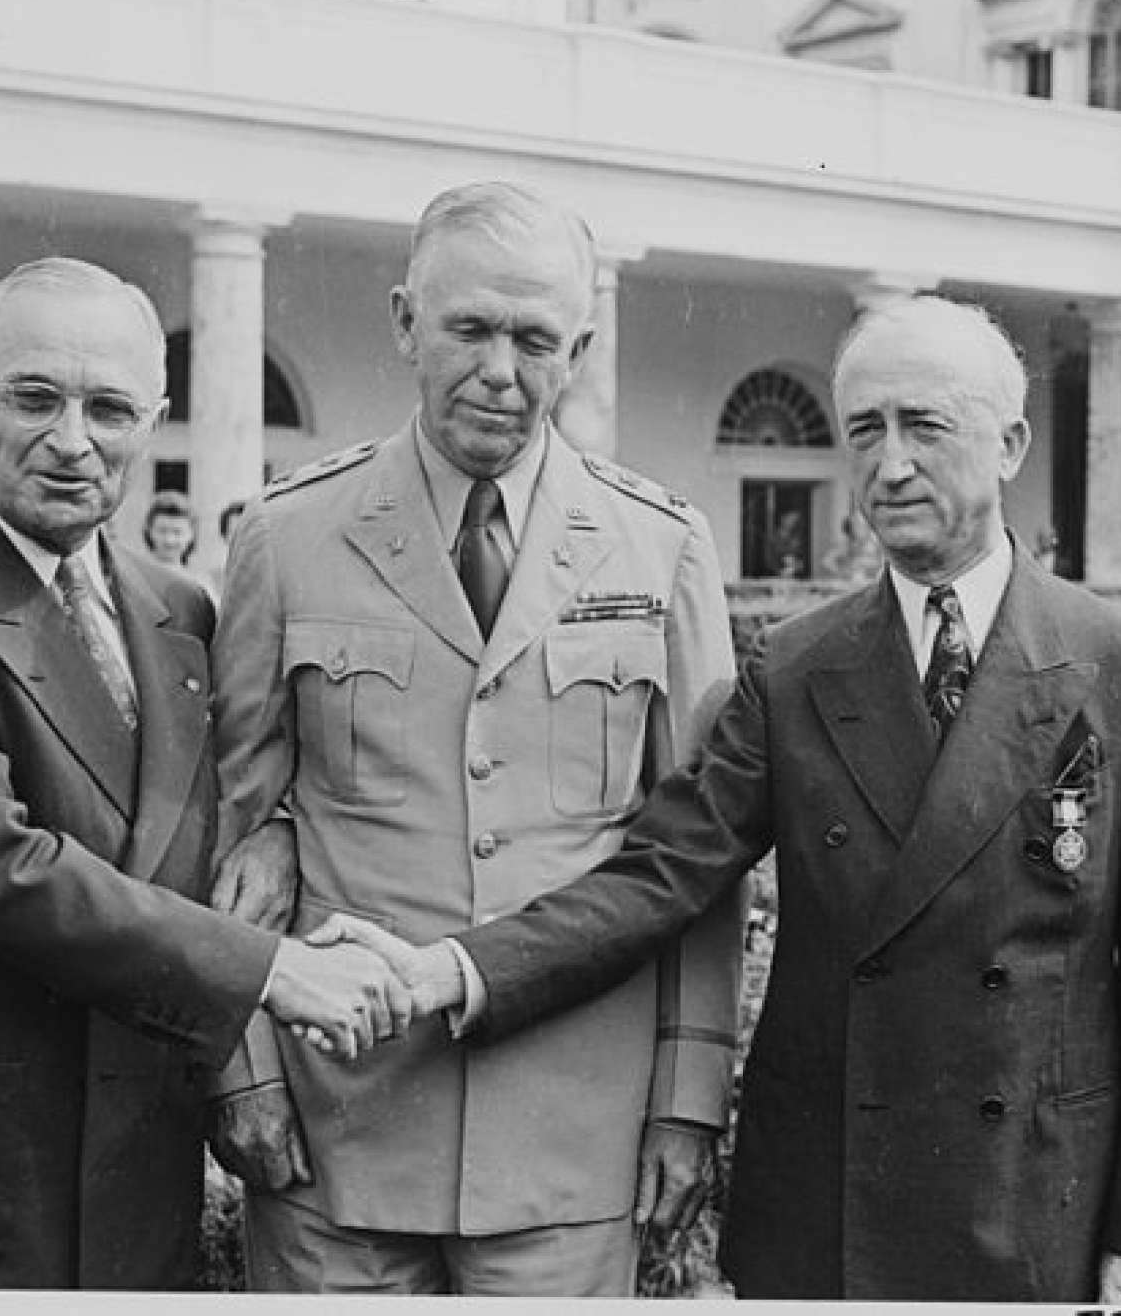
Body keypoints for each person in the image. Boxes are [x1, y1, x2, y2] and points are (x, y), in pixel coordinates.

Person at [321, 294, 1121, 1303]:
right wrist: (458, 966)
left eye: (925, 425)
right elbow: (660, 872)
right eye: (863, 429)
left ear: (1009, 444)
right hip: (834, 1199)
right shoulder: (798, 667)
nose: (890, 463)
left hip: (1041, 1194)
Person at [0, 257, 416, 1289]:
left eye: (108, 406)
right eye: (35, 397)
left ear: (153, 417)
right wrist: (273, 970)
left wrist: (272, 830)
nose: (72, 439)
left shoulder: (178, 609)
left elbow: (201, 825)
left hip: (139, 1176)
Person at [207, 181, 744, 1296]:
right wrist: (243, 1071)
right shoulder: (288, 535)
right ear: (407, 321)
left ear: (581, 349)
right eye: (470, 328)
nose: (502, 368)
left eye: (536, 338)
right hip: (338, 1126)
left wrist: (688, 1097)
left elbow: (699, 856)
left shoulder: (662, 550)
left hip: (570, 1140)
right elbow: (233, 830)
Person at [142, 488, 197, 567]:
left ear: (191, 535)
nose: (169, 540)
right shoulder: (129, 575)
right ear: (149, 531)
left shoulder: (197, 579)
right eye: (162, 531)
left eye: (177, 532)